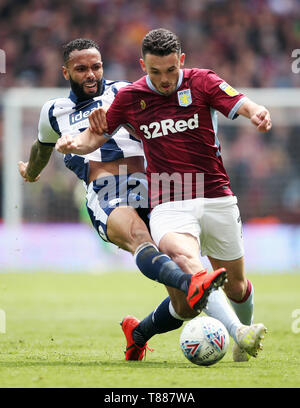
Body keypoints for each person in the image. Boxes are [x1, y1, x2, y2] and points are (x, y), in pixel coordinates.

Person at [18, 38, 245, 362]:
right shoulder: (53, 111)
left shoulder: (127, 92)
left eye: (96, 66)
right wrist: (31, 171)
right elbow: (41, 148)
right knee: (140, 237)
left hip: (152, 183)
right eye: (81, 69)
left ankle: (139, 332)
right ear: (65, 72)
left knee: (185, 306)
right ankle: (197, 284)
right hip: (106, 189)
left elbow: (161, 125)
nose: (91, 74)